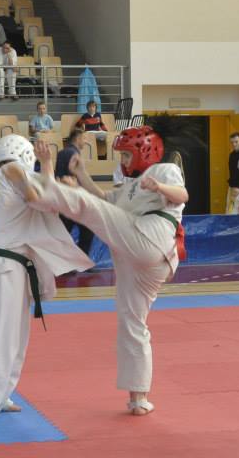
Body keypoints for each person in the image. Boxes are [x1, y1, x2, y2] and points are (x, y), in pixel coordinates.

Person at [27, 125, 187, 416]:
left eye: (126, 155)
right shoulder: (130, 187)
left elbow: (183, 195)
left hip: (151, 236)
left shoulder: (164, 170)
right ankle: (138, 397)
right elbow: (102, 198)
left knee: (88, 207)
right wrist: (81, 174)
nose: (123, 161)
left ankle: (45, 188)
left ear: (144, 152)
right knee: (131, 322)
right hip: (141, 258)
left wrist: (160, 188)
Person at [0, 135, 94, 431]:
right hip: (2, 264)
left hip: (12, 265)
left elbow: (43, 198)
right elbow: (39, 199)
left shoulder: (9, 176)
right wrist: (52, 171)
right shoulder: (11, 169)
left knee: (16, 338)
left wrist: (50, 170)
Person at [54, 129, 94, 256]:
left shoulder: (62, 152)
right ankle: (81, 259)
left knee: (65, 229)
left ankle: (61, 258)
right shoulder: (74, 154)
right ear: (78, 138)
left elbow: (58, 176)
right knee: (87, 229)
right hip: (73, 198)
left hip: (64, 197)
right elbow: (78, 178)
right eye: (84, 138)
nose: (85, 141)